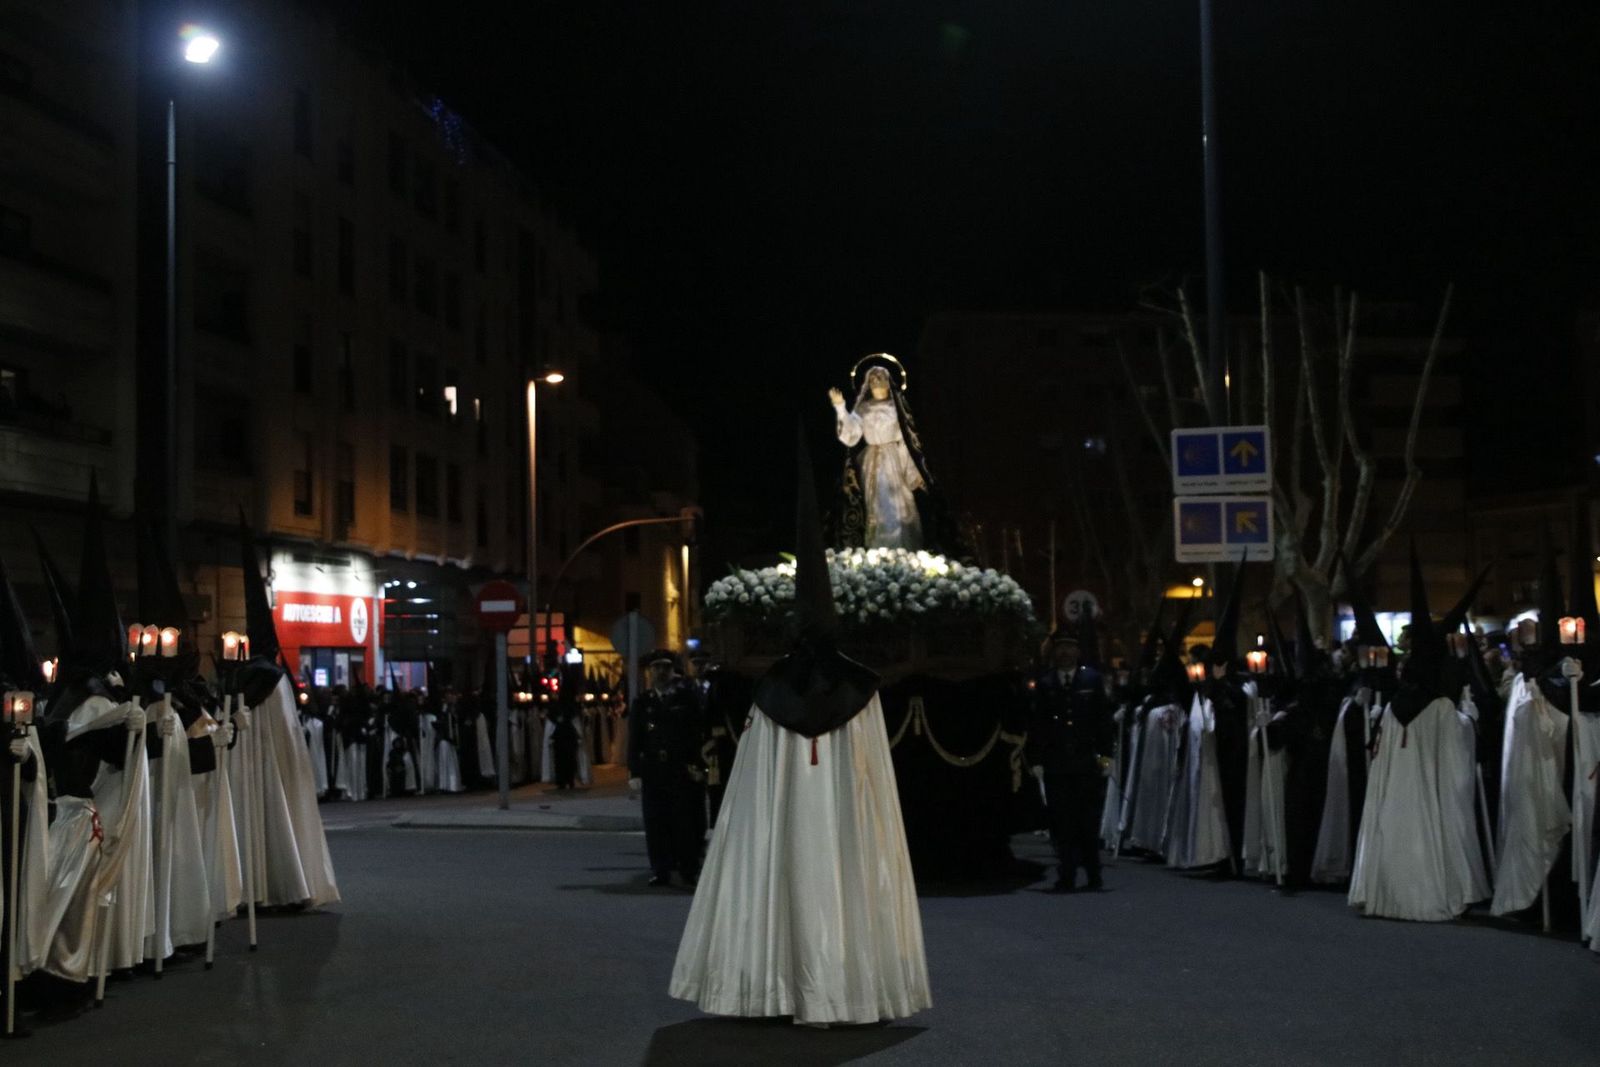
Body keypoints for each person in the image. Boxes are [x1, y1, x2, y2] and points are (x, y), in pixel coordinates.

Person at [671, 426, 929, 1025]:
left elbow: (752, 810)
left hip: (799, 819)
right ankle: (843, 985)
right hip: (838, 821)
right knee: (841, 875)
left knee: (781, 873)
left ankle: (772, 983)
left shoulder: (772, 693)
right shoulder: (858, 692)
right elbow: (874, 800)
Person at [1027, 631, 1113, 892]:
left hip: (1085, 762)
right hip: (1057, 763)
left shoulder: (1091, 680)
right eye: (1060, 648)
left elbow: (1102, 720)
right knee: (1061, 822)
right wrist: (1037, 759)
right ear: (1054, 653)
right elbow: (1038, 724)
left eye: (1069, 648)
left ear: (1077, 652)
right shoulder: (1046, 683)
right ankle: (1066, 873)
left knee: (1087, 821)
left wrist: (1106, 755)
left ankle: (1093, 874)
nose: (1065, 653)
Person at [628, 651, 705, 887]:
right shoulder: (643, 702)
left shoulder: (686, 699)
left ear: (672, 671)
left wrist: (698, 764)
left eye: (665, 667)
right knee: (655, 822)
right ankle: (660, 870)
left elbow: (696, 732)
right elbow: (636, 740)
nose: (661, 672)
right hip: (653, 771)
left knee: (684, 821)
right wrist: (635, 773)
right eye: (656, 667)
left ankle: (688, 869)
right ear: (650, 672)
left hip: (680, 768)